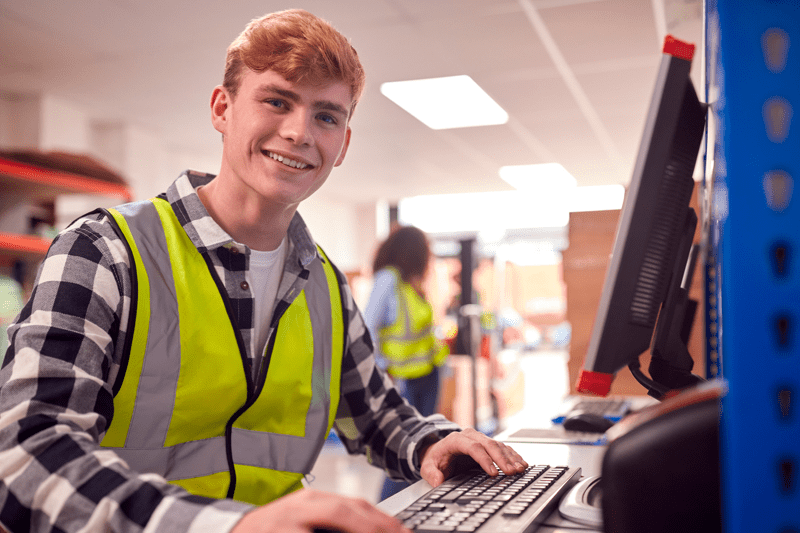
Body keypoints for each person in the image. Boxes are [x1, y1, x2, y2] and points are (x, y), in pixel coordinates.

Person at [0, 9, 529, 533]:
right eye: (277, 101)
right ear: (222, 108)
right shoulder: (105, 250)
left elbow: (375, 413)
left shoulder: (322, 280)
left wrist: (433, 441)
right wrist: (228, 527)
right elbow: (26, 450)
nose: (300, 131)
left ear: (342, 144)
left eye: (327, 116)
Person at [363, 226, 449, 500]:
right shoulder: (388, 279)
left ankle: (412, 508)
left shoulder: (411, 284)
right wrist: (382, 367)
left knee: (426, 447)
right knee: (407, 447)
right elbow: (367, 327)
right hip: (403, 379)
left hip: (427, 374)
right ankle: (387, 509)